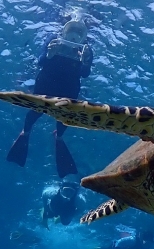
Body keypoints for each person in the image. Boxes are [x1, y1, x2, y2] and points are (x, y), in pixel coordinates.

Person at [6, 18, 93, 177]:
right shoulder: (53, 40)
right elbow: (41, 62)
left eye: (79, 32)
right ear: (64, 31)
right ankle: (26, 133)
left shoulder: (86, 50)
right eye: (71, 30)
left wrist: (84, 62)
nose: (74, 35)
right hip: (47, 84)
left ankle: (58, 137)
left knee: (63, 116)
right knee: (36, 111)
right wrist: (49, 54)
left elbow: (85, 74)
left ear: (84, 36)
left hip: (68, 89)